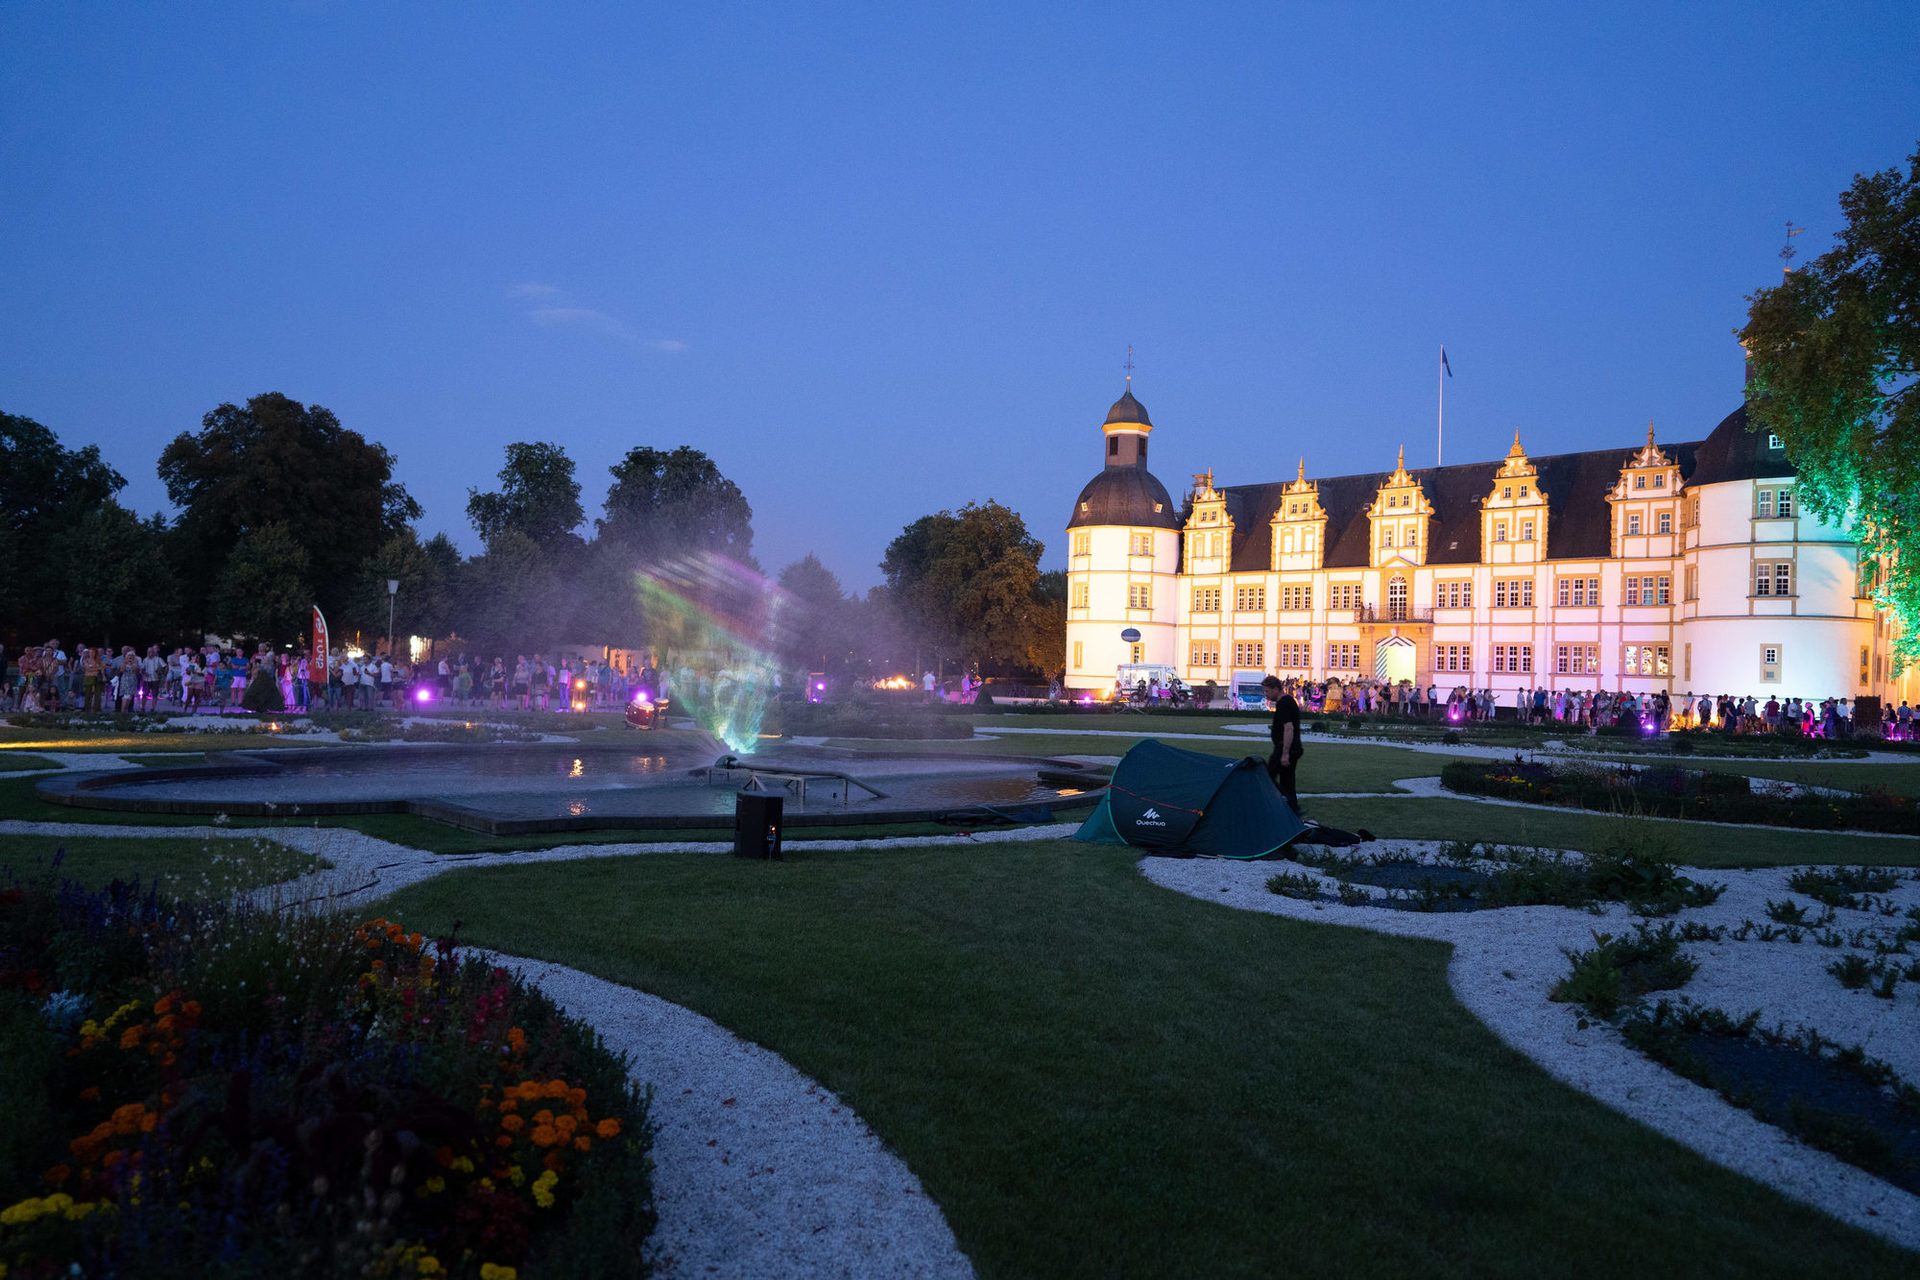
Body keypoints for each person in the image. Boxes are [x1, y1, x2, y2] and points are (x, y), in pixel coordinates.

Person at [1262, 675, 1304, 816]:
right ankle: (1293, 810)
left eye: (1267, 691)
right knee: (1287, 781)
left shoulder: (1283, 703)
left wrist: (1285, 753)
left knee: (1267, 777)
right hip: (1293, 748)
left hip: (1285, 748)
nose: (1266, 694)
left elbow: (1289, 728)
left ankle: (1288, 804)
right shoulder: (1288, 701)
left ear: (1275, 689)